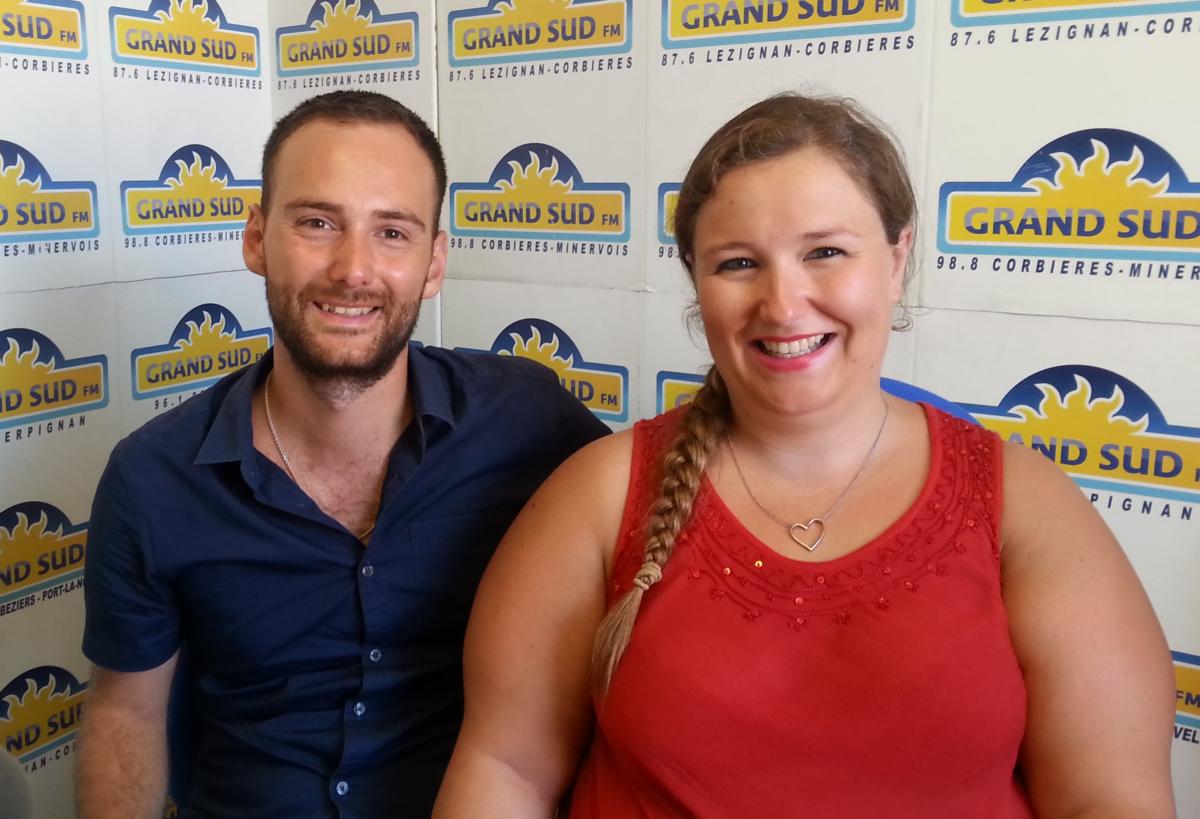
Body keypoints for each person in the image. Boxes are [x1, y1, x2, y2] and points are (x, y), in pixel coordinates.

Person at [433, 94, 1177, 818]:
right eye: (737, 264)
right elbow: (507, 769)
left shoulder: (1023, 504)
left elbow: (1109, 796)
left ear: (897, 256)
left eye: (825, 251)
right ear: (696, 280)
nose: (784, 303)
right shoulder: (599, 494)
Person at [75, 91, 609, 819]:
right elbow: (125, 715)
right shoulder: (151, 479)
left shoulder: (532, 421)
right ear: (257, 238)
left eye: (392, 232)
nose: (353, 269)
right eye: (318, 222)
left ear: (433, 262)